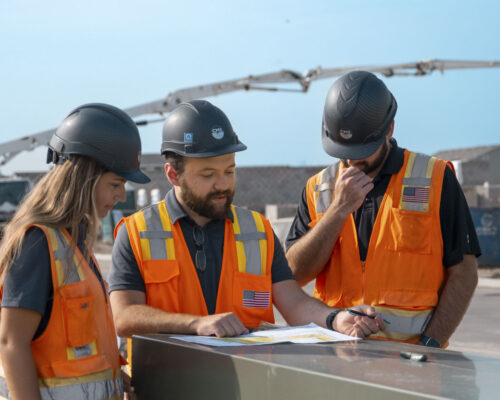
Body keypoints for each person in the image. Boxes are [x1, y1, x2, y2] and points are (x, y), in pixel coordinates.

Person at [109, 100, 385, 345]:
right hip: (164, 383)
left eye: (229, 171)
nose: (223, 184)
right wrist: (196, 324)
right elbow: (125, 317)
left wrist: (336, 319)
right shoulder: (137, 232)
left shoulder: (257, 230)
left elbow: (294, 302)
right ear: (173, 175)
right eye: (208, 175)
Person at [285, 71, 480, 347]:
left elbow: (464, 273)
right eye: (343, 150)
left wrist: (430, 345)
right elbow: (293, 274)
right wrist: (338, 211)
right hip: (335, 357)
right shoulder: (318, 188)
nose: (351, 161)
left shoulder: (435, 179)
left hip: (412, 362)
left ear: (388, 130)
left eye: (362, 150)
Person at [0, 103, 150, 400]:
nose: (121, 196)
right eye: (115, 184)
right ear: (85, 179)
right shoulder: (38, 243)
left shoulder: (74, 246)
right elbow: (9, 342)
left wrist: (113, 378)